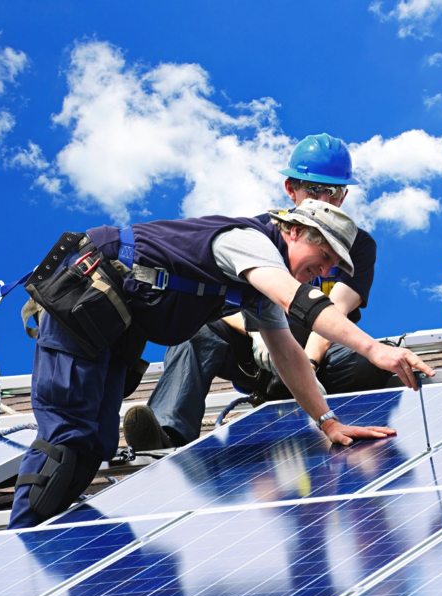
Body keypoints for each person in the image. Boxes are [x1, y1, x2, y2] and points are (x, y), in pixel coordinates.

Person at [9, 199, 433, 529]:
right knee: (68, 439)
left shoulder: (258, 289)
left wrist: (328, 422)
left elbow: (287, 353)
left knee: (96, 446)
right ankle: (20, 545)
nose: (321, 273)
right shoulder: (248, 242)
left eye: (330, 269)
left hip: (112, 324)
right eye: (322, 259)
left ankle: (43, 546)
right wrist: (374, 350)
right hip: (84, 295)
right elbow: (296, 300)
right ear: (296, 230)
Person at [124, 133, 390, 452]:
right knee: (195, 332)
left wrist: (308, 362)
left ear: (343, 196)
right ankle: (167, 434)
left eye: (332, 191)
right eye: (314, 189)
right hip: (258, 353)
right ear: (291, 190)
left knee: (368, 360)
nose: (324, 199)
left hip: (318, 354)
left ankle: (352, 424)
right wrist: (255, 333)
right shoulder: (261, 234)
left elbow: (336, 309)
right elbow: (226, 296)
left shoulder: (355, 246)